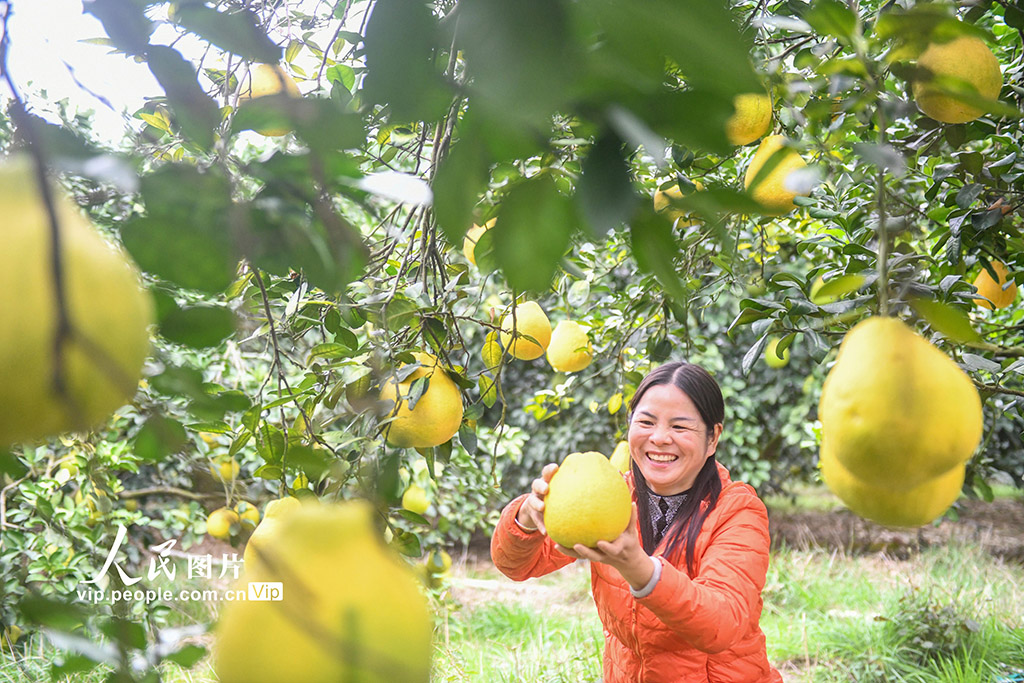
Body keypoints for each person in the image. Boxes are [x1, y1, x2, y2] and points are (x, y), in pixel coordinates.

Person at [490, 361, 783, 682]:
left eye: (680, 427)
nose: (659, 438)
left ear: (712, 438)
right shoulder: (609, 497)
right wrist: (528, 518)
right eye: (646, 421)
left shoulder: (736, 510)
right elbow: (516, 566)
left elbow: (722, 625)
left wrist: (639, 569)